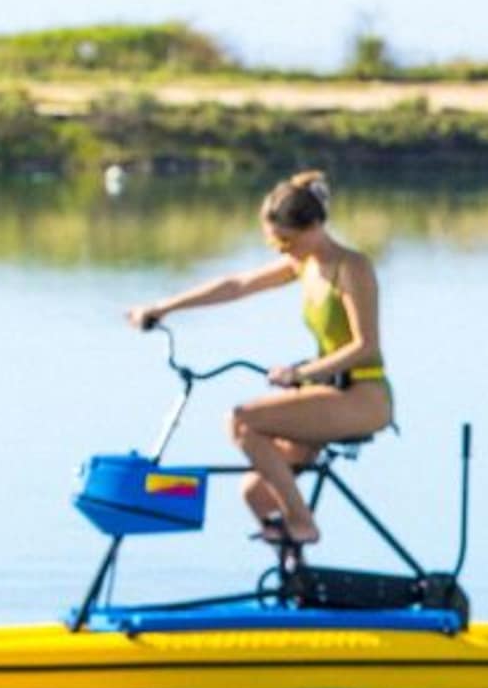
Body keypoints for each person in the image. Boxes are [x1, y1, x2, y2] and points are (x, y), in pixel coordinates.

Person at [123, 168, 392, 553]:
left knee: (242, 420)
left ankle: (303, 525)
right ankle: (297, 587)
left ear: (314, 225)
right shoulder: (304, 264)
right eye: (276, 244)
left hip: (363, 397)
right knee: (256, 493)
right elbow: (238, 285)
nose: (283, 251)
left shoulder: (351, 267)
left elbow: (366, 345)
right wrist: (164, 307)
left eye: (287, 241)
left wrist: (300, 373)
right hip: (325, 394)